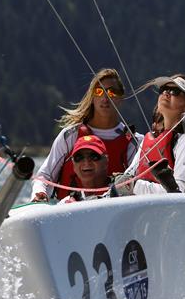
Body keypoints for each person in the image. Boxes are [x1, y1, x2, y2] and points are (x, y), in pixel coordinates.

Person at [31, 68, 140, 202]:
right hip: (66, 211)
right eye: (99, 91)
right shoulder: (70, 135)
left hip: (111, 213)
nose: (105, 97)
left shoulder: (134, 142)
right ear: (92, 97)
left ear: (121, 97)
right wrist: (40, 192)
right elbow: (45, 175)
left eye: (112, 92)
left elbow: (138, 185)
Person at [113, 73, 185, 196]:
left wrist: (134, 186)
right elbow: (126, 177)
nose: (166, 93)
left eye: (175, 91)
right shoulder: (150, 139)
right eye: (163, 90)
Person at [62, 135, 111, 202]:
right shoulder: (67, 203)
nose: (86, 162)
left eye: (94, 156)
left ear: (106, 161)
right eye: (79, 158)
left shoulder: (124, 192)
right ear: (73, 165)